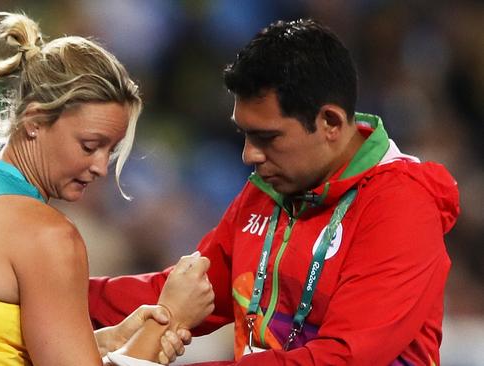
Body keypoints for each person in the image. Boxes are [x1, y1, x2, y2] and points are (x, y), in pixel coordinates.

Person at [88, 19, 460, 365]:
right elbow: (180, 293)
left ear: (329, 122)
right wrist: (50, 286)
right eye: (244, 134)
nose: (249, 154)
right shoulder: (270, 190)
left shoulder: (401, 206)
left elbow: (341, 359)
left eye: (267, 137)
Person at [0, 12, 214, 366]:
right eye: (90, 146)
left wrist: (106, 342)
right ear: (34, 121)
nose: (101, 167)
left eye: (111, 150)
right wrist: (169, 318)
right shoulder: (47, 236)